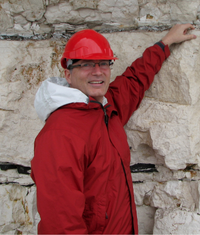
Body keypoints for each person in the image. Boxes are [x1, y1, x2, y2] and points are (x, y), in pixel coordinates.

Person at [31, 24, 196, 234]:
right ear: (68, 73)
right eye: (86, 65)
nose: (98, 72)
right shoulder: (59, 134)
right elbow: (60, 225)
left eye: (104, 64)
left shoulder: (106, 109)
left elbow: (134, 81)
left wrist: (165, 44)